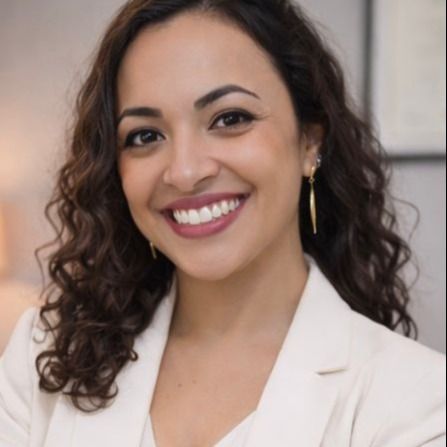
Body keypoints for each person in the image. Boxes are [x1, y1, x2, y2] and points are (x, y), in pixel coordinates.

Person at [0, 0, 445, 446]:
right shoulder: (42, 358)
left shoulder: (417, 399)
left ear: (309, 142)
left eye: (230, 119)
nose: (185, 172)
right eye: (145, 135)